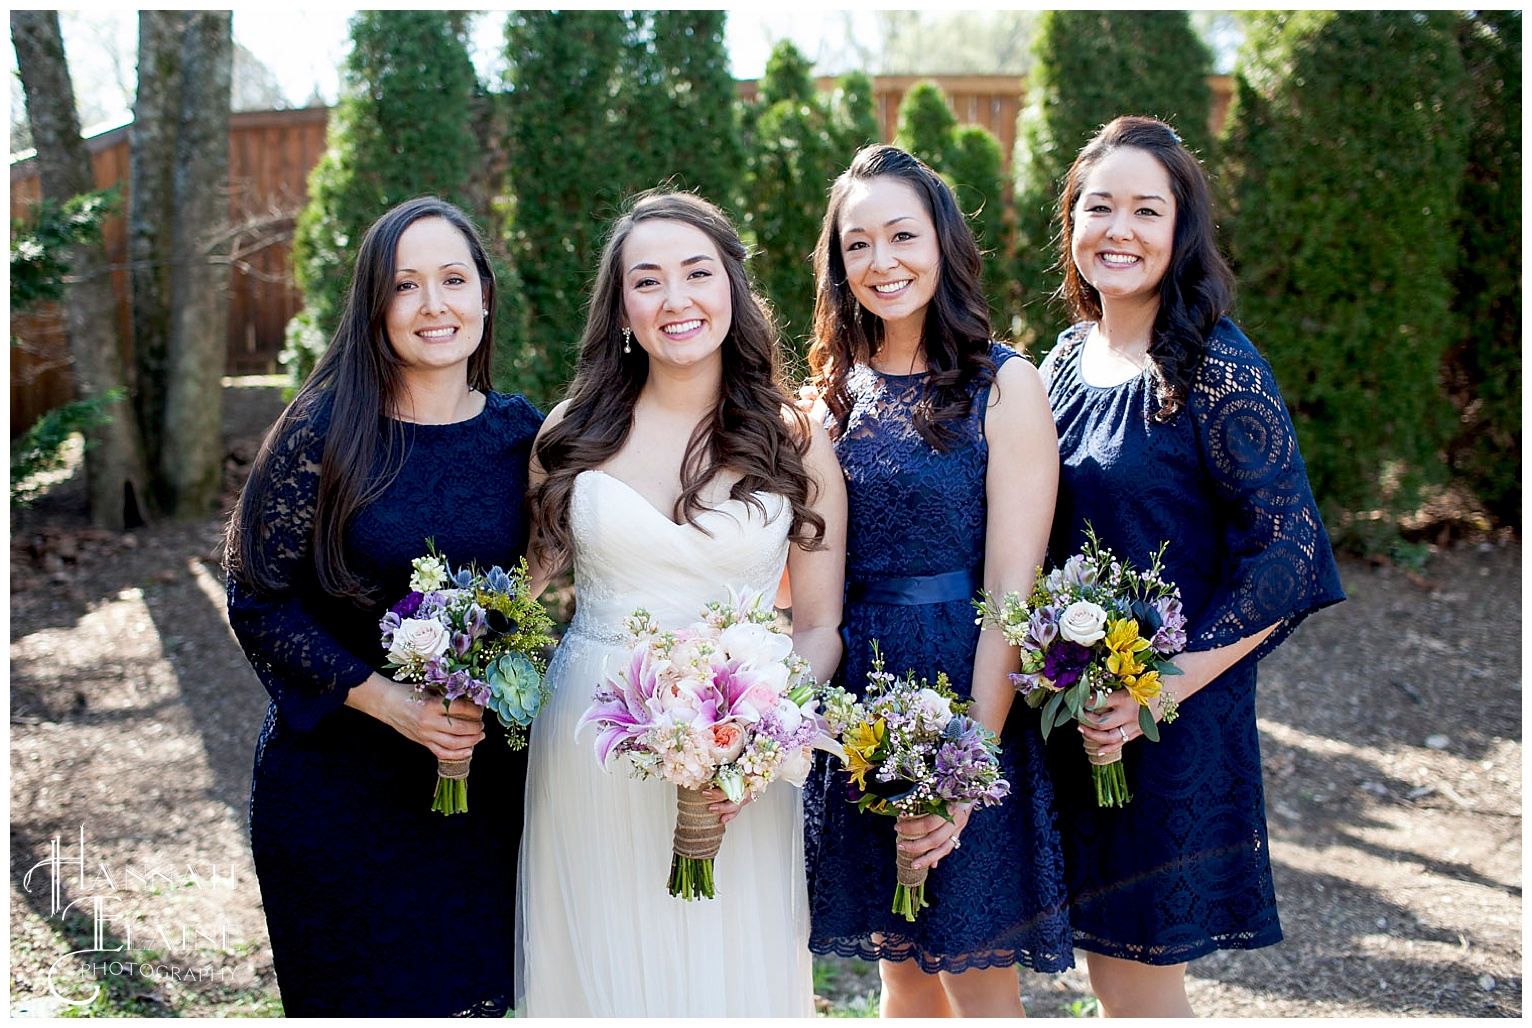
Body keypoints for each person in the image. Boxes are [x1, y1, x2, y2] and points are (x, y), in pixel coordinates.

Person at [1040, 115, 1346, 1016]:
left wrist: (1155, 689)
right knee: (1108, 974)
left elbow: (1287, 555)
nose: (1119, 230)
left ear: (1182, 231)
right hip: (1077, 712)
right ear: (1073, 225)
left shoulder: (1216, 365)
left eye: (1147, 209)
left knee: (1142, 983)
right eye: (1100, 208)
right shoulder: (1063, 361)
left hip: (1172, 720)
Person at [515, 190, 847, 1017]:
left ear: (732, 291)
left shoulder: (796, 437)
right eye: (648, 280)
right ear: (621, 307)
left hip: (739, 758)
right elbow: (519, 594)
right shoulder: (570, 431)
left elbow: (816, 625)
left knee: (727, 978)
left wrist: (758, 748)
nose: (676, 299)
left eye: (698, 273)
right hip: (592, 743)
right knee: (602, 969)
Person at [225, 197, 543, 1016]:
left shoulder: (525, 438)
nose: (434, 304)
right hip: (336, 793)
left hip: (480, 797)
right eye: (407, 285)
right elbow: (258, 602)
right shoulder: (324, 430)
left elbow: (545, 581)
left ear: (484, 296)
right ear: (375, 306)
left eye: (453, 279)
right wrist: (392, 703)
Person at [802, 144, 1073, 1017]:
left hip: (968, 689)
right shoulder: (829, 397)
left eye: (901, 236)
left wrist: (968, 764)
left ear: (944, 243)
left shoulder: (1007, 386)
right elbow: (812, 591)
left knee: (977, 976)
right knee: (902, 973)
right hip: (861, 697)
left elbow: (1012, 598)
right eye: (857, 245)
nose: (882, 262)